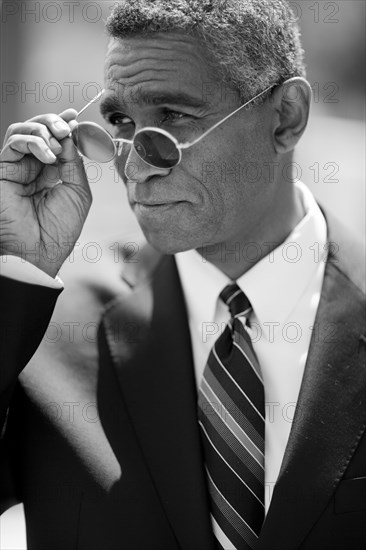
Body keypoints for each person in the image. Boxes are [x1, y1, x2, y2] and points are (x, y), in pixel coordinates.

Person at [0, 1, 365, 549]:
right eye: (121, 123)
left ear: (286, 117)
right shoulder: (47, 332)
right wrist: (16, 267)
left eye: (172, 118)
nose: (134, 166)